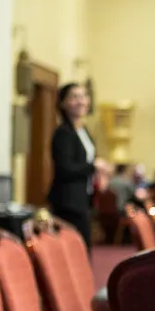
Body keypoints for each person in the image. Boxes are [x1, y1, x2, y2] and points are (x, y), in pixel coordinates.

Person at [48, 82, 105, 249]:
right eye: (74, 97)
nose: (80, 101)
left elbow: (84, 162)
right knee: (77, 248)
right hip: (68, 201)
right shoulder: (63, 133)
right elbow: (65, 168)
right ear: (63, 103)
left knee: (84, 246)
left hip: (83, 198)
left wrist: (98, 174)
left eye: (83, 96)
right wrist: (94, 167)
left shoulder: (83, 131)